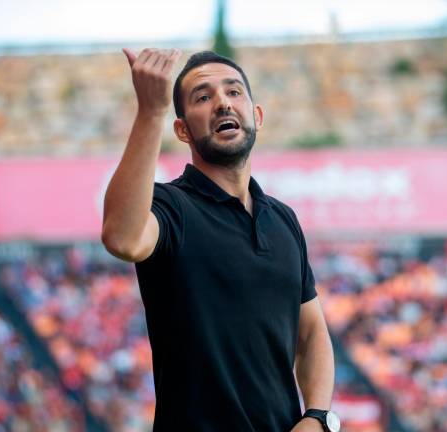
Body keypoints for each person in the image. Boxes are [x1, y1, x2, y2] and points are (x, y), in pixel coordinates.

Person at [102, 48, 338, 432]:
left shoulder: (283, 219)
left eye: (233, 92)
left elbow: (311, 334)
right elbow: (122, 238)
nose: (222, 104)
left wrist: (317, 417)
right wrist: (151, 112)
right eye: (203, 97)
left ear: (256, 116)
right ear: (182, 130)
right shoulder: (170, 206)